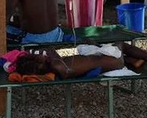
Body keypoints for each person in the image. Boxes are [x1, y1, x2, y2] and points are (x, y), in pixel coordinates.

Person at [15, 42, 147, 79]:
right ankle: (139, 57)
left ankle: (133, 61)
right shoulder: (56, 65)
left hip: (110, 61)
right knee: (121, 45)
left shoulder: (53, 64)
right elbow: (65, 70)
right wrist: (49, 52)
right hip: (114, 62)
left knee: (94, 45)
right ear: (38, 64)